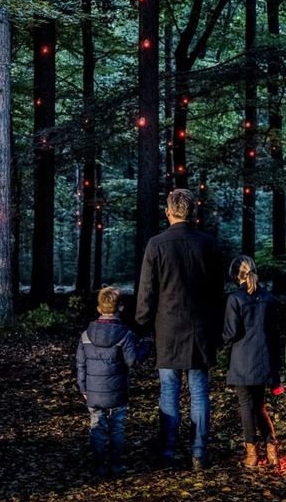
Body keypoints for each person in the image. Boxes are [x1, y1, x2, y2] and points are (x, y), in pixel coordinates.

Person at [135, 188, 223, 471]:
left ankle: (168, 452)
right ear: (193, 212)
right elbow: (217, 291)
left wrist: (142, 324)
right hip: (201, 328)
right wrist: (217, 327)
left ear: (168, 211)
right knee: (199, 392)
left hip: (168, 329)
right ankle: (198, 452)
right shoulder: (208, 244)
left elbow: (147, 291)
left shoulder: (157, 245)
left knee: (169, 393)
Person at [76, 285, 152, 476]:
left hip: (93, 391)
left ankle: (99, 465)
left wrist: (83, 388)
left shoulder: (86, 335)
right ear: (120, 308)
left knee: (97, 426)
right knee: (117, 427)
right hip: (117, 390)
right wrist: (146, 345)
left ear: (99, 308)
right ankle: (116, 465)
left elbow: (81, 364)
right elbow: (132, 360)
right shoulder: (125, 334)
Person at [222, 255, 282, 469]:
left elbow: (230, 333)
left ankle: (252, 453)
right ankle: (271, 449)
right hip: (264, 358)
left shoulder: (235, 299)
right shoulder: (268, 297)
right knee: (259, 406)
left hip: (242, 360)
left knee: (247, 406)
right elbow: (274, 332)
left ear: (234, 275)